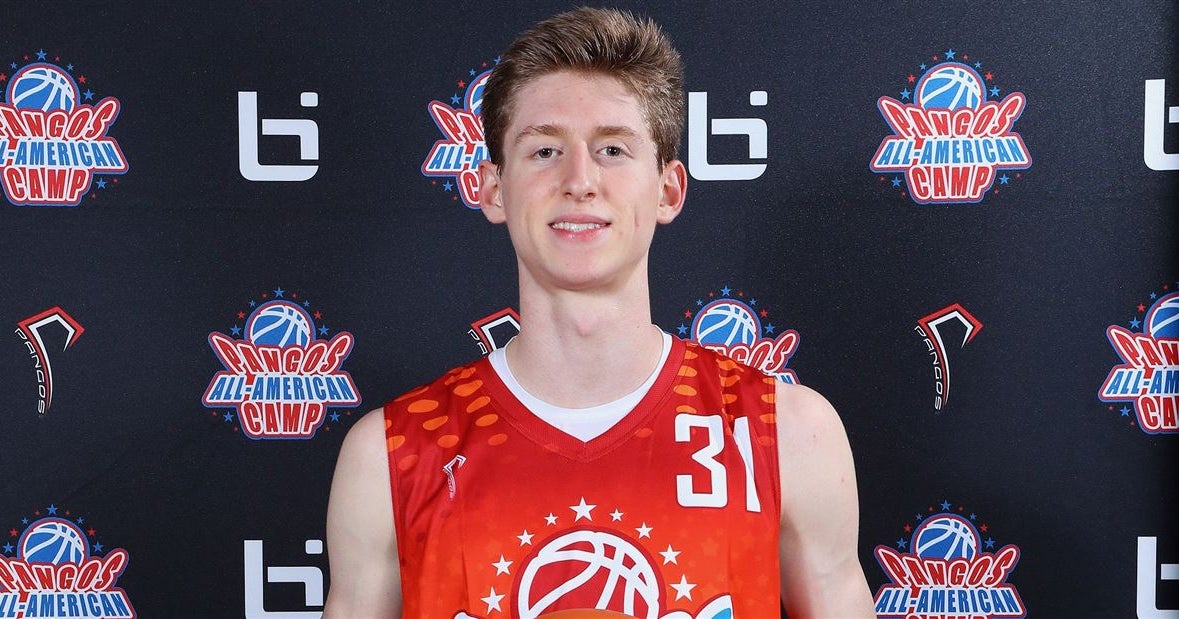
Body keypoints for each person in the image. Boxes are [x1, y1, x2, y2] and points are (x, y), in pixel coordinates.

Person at [324, 7, 874, 618]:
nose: (579, 180)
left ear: (668, 189)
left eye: (612, 149)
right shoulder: (393, 454)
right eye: (544, 151)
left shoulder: (786, 432)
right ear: (493, 189)